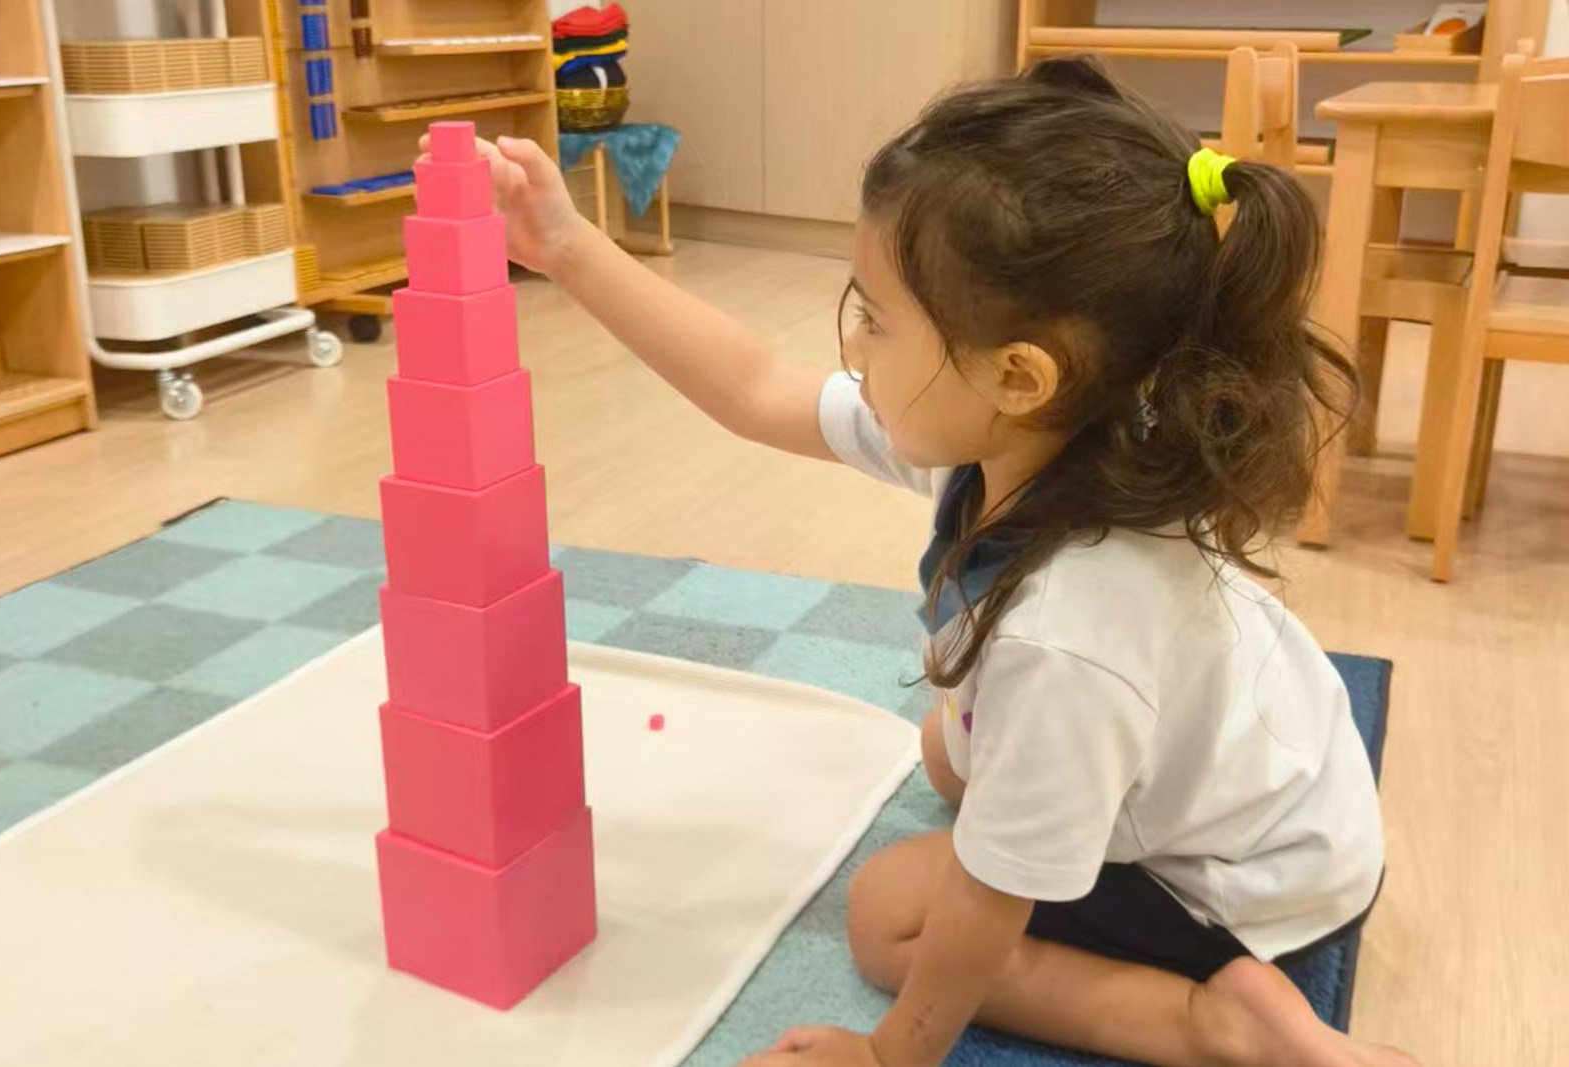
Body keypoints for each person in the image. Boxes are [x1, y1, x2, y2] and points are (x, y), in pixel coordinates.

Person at [431, 55, 1408, 1067]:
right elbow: (755, 386)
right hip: (1278, 792)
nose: (855, 345)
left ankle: (1214, 1023)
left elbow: (990, 896)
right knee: (951, 748)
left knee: (890, 914)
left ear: (1020, 374)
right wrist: (568, 246)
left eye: (877, 319)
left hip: (1240, 884)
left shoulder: (1068, 630)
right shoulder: (1044, 435)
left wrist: (889, 1051)